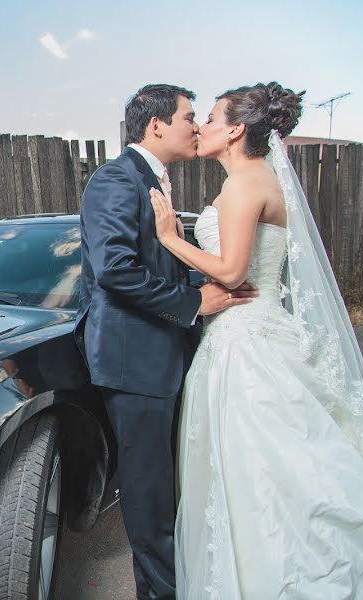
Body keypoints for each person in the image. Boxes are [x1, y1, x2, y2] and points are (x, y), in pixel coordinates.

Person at [149, 81, 363, 599]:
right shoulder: (258, 179)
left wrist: (170, 238)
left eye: (210, 119)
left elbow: (233, 271)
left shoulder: (244, 184)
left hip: (245, 343)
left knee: (257, 475)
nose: (203, 128)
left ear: (235, 130)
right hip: (250, 331)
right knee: (270, 471)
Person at [74, 84, 257, 599]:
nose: (195, 127)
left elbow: (159, 266)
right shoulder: (115, 179)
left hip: (165, 357)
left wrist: (204, 286)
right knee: (149, 492)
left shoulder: (157, 182)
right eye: (188, 117)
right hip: (135, 362)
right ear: (156, 125)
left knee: (170, 485)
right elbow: (114, 271)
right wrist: (194, 305)